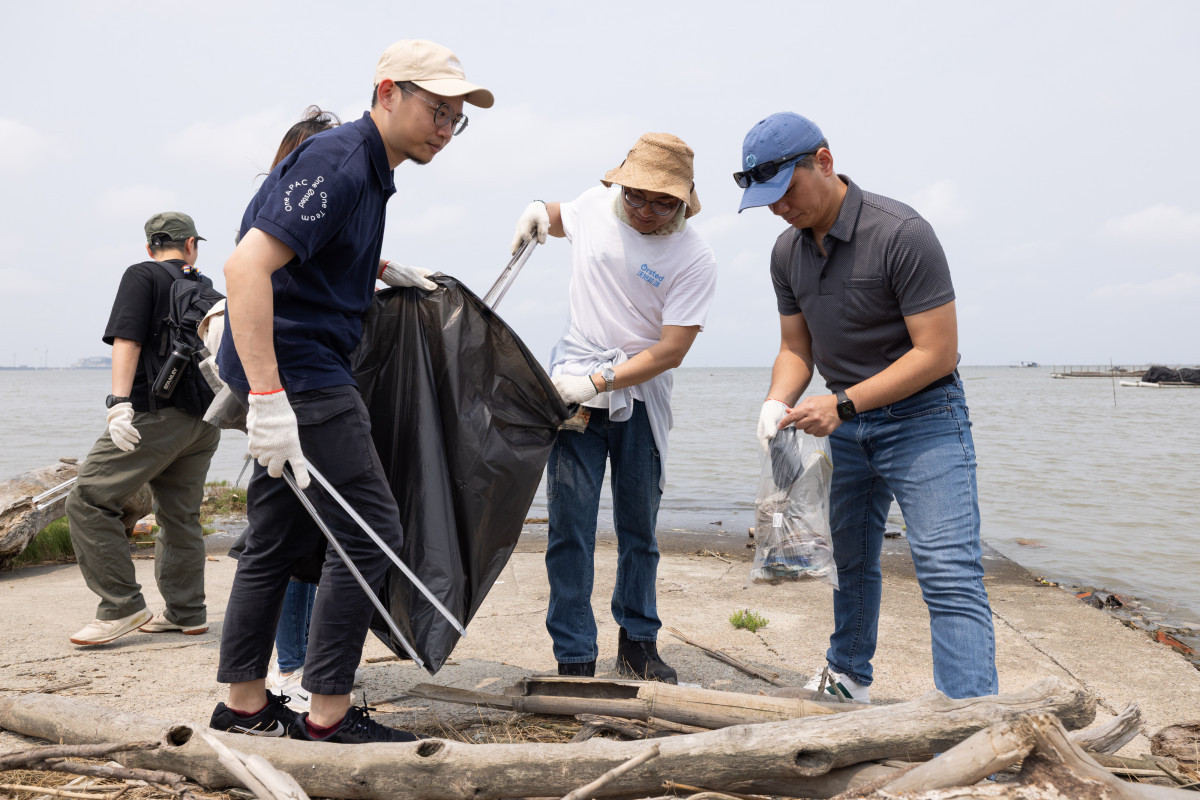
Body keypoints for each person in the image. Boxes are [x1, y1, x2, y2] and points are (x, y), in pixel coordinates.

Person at [209, 39, 492, 744]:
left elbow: (310, 253)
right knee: (370, 536)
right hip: (301, 372)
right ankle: (328, 715)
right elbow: (245, 266)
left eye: (458, 117)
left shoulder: (371, 168)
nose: (446, 128)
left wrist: (382, 267)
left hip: (300, 365)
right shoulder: (339, 160)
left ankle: (245, 708)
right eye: (437, 109)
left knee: (274, 540)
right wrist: (270, 401)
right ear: (389, 91)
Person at [739, 112, 997, 702]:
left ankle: (971, 719)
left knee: (948, 573)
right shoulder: (786, 253)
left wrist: (844, 403)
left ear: (824, 162)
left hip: (925, 419)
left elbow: (937, 352)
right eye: (767, 201)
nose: (780, 209)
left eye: (786, 193)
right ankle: (848, 675)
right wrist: (777, 400)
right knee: (849, 561)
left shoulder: (902, 232)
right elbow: (795, 348)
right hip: (846, 425)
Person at [509, 133, 718, 683]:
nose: (646, 211)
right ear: (620, 185)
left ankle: (639, 642)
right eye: (636, 197)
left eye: (662, 202)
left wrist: (599, 381)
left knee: (638, 528)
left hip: (639, 396)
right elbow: (557, 216)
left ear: (684, 201)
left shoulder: (694, 257)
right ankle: (574, 653)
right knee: (570, 528)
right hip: (572, 392)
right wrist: (535, 211)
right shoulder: (596, 208)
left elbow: (671, 350)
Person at [66, 213, 222, 646]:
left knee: (88, 499)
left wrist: (119, 404)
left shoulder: (142, 274)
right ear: (190, 244)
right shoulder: (207, 288)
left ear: (151, 245)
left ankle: (121, 605)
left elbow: (128, 339)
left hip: (156, 414)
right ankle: (186, 612)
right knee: (178, 516)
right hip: (205, 420)